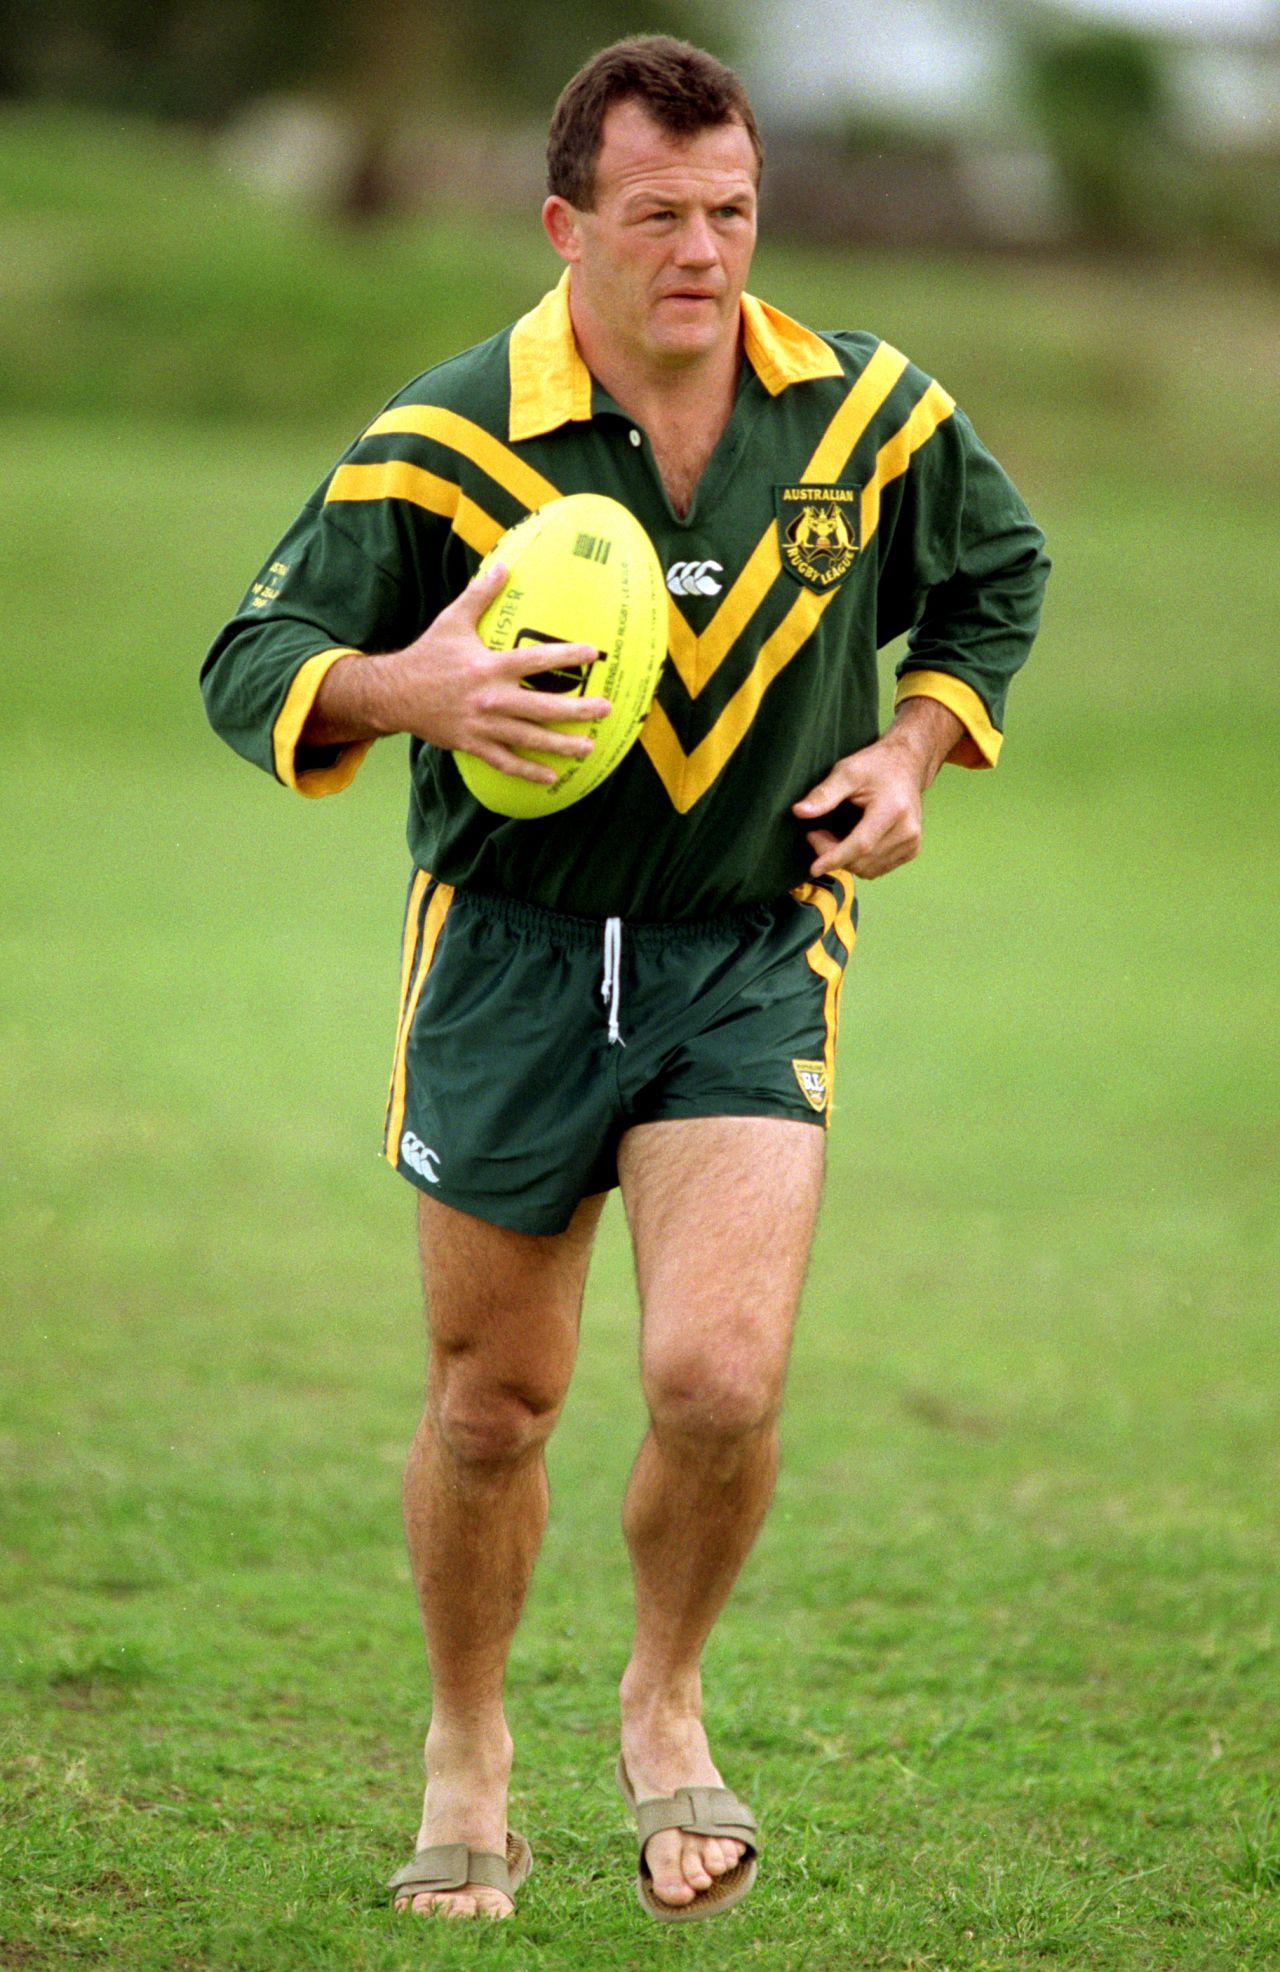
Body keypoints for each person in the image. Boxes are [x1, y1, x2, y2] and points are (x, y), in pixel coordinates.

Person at [202, 35, 1049, 1924]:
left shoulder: (870, 418)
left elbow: (996, 578)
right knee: (494, 1404)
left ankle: (663, 1700)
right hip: (505, 958)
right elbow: (249, 659)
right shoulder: (446, 437)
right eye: (659, 215)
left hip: (750, 944)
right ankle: (466, 1746)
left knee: (720, 1380)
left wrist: (912, 746)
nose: (705, 251)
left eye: (732, 211)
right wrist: (409, 688)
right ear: (564, 224)